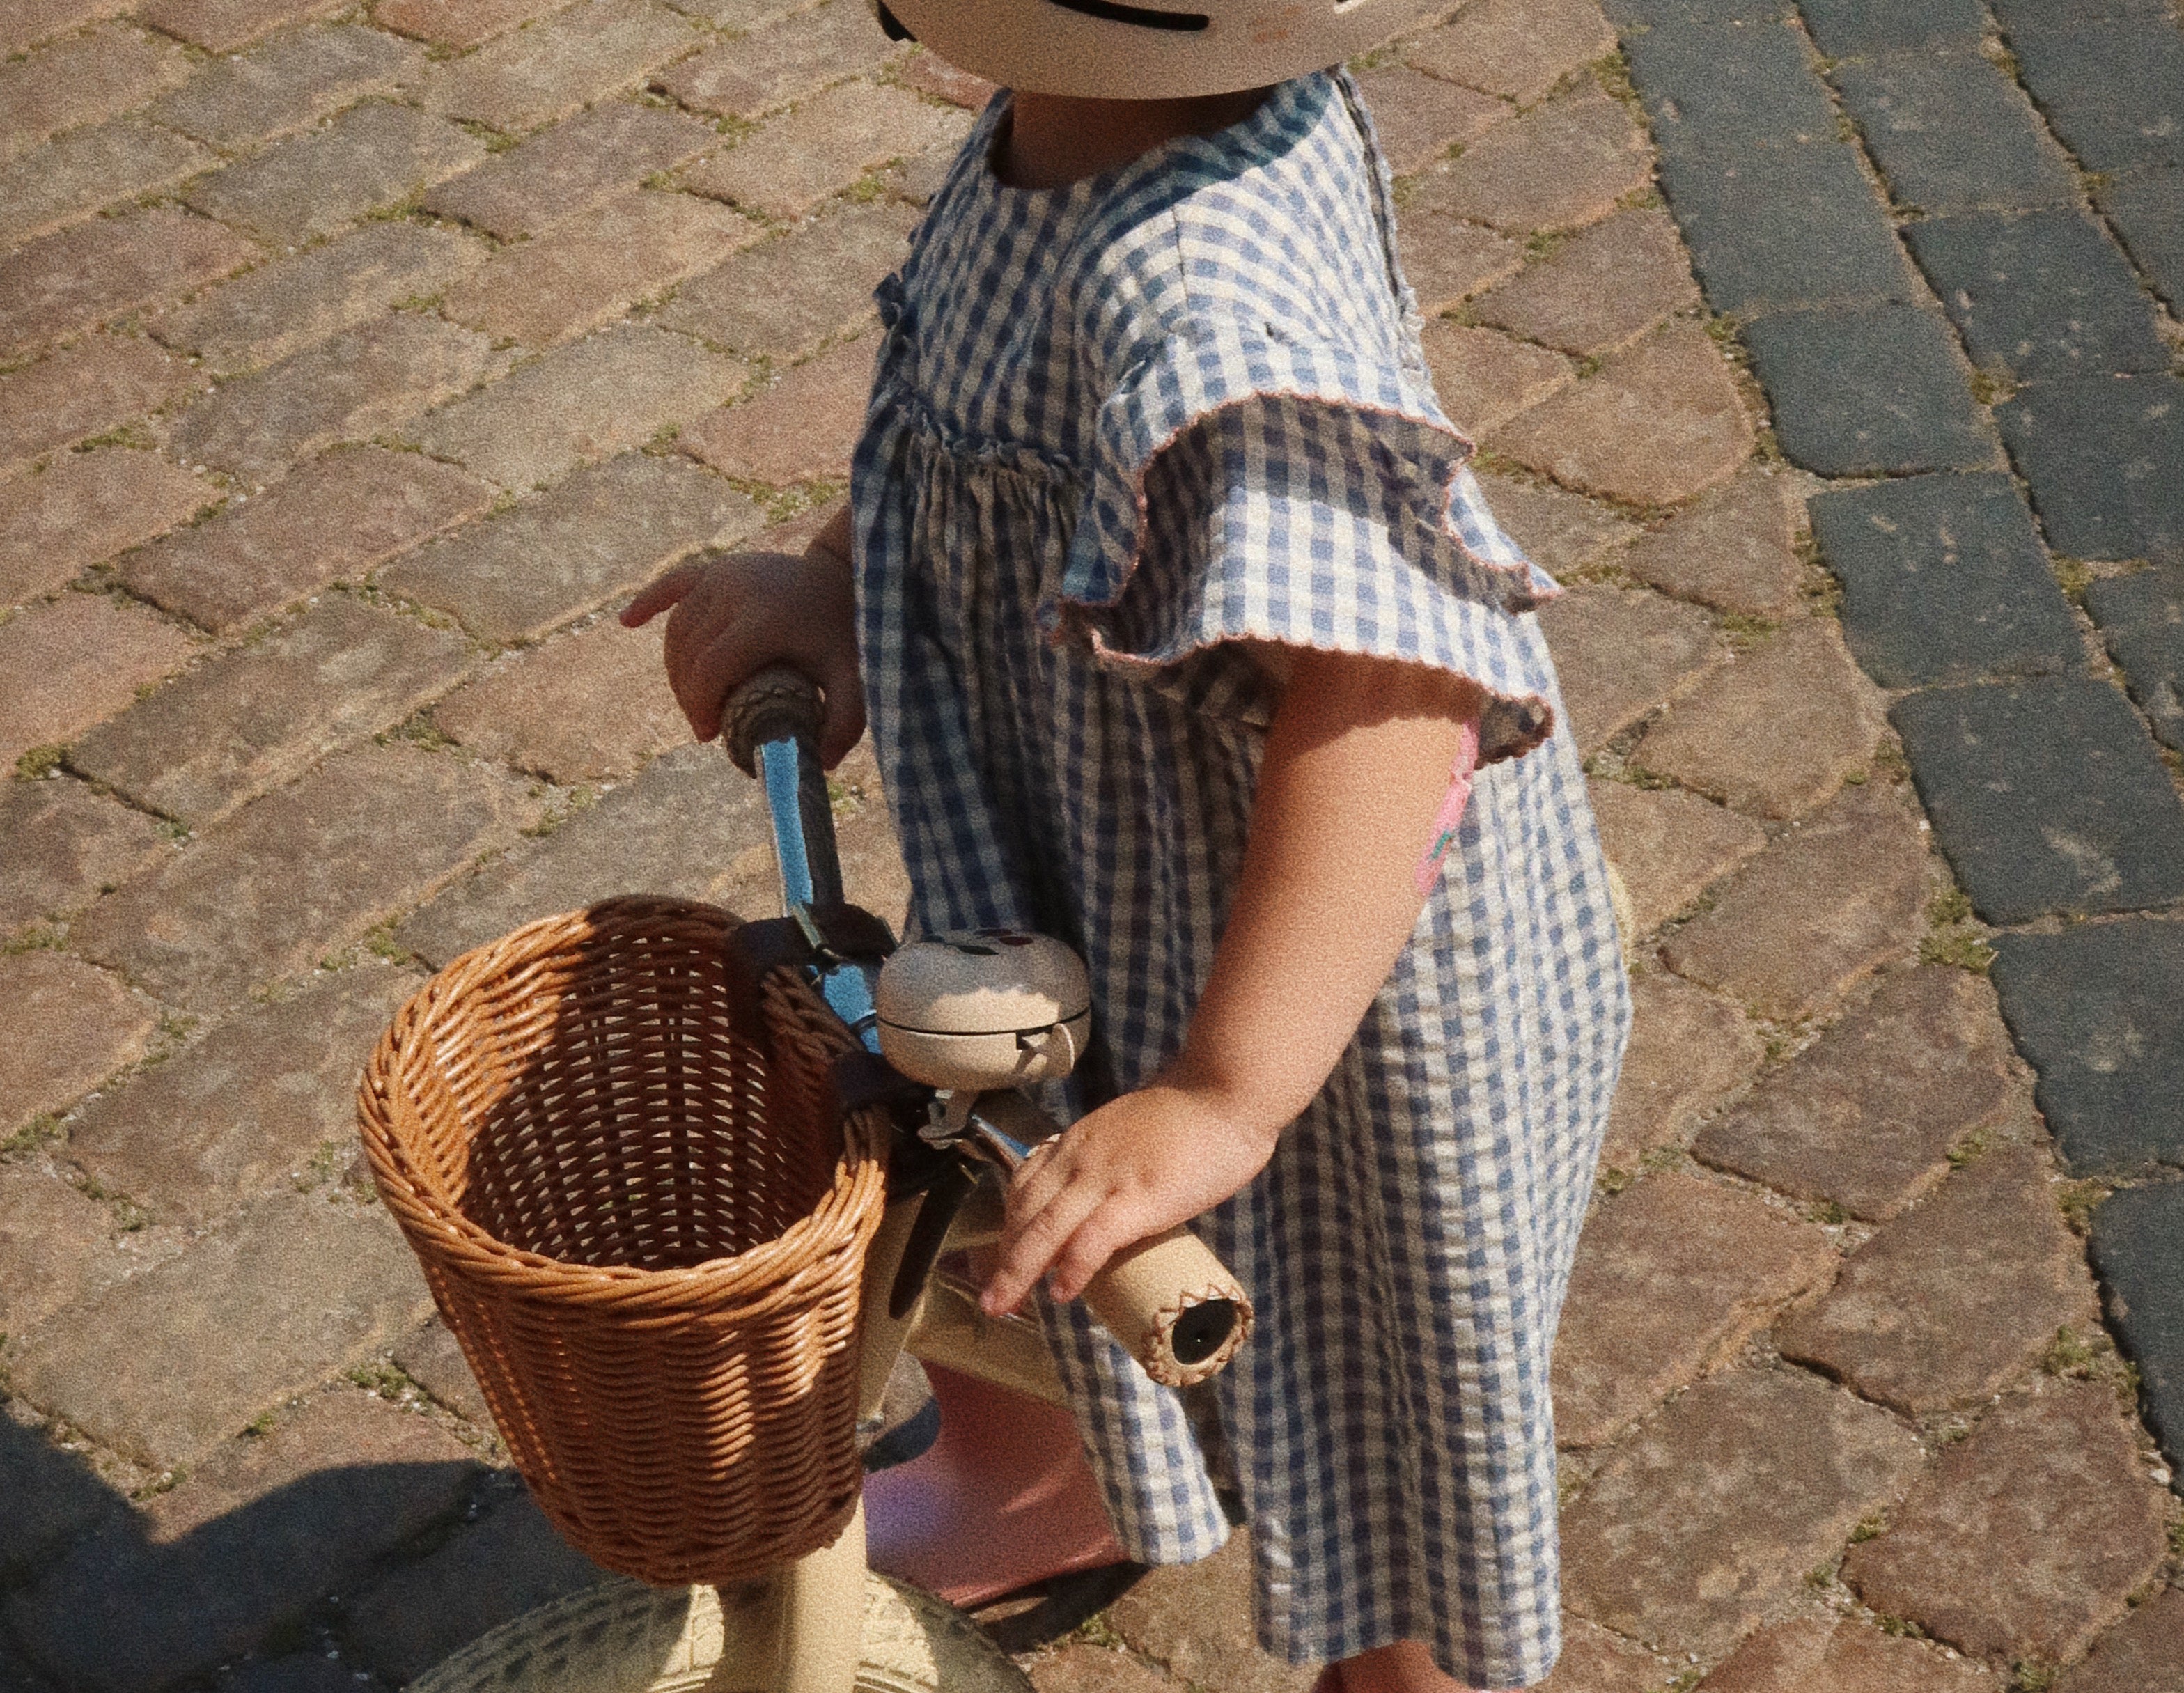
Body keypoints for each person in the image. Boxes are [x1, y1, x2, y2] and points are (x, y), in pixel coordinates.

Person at [624, 4, 1631, 1687]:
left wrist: (1227, 1091)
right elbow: (973, 442)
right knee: (1002, 1164)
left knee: (1373, 1403)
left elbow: (1390, 696)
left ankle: (1398, 1669)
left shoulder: (1201, 293)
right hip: (1101, 873)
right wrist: (842, 585)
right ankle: (1048, 1472)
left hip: (1324, 990)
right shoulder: (1077, 121)